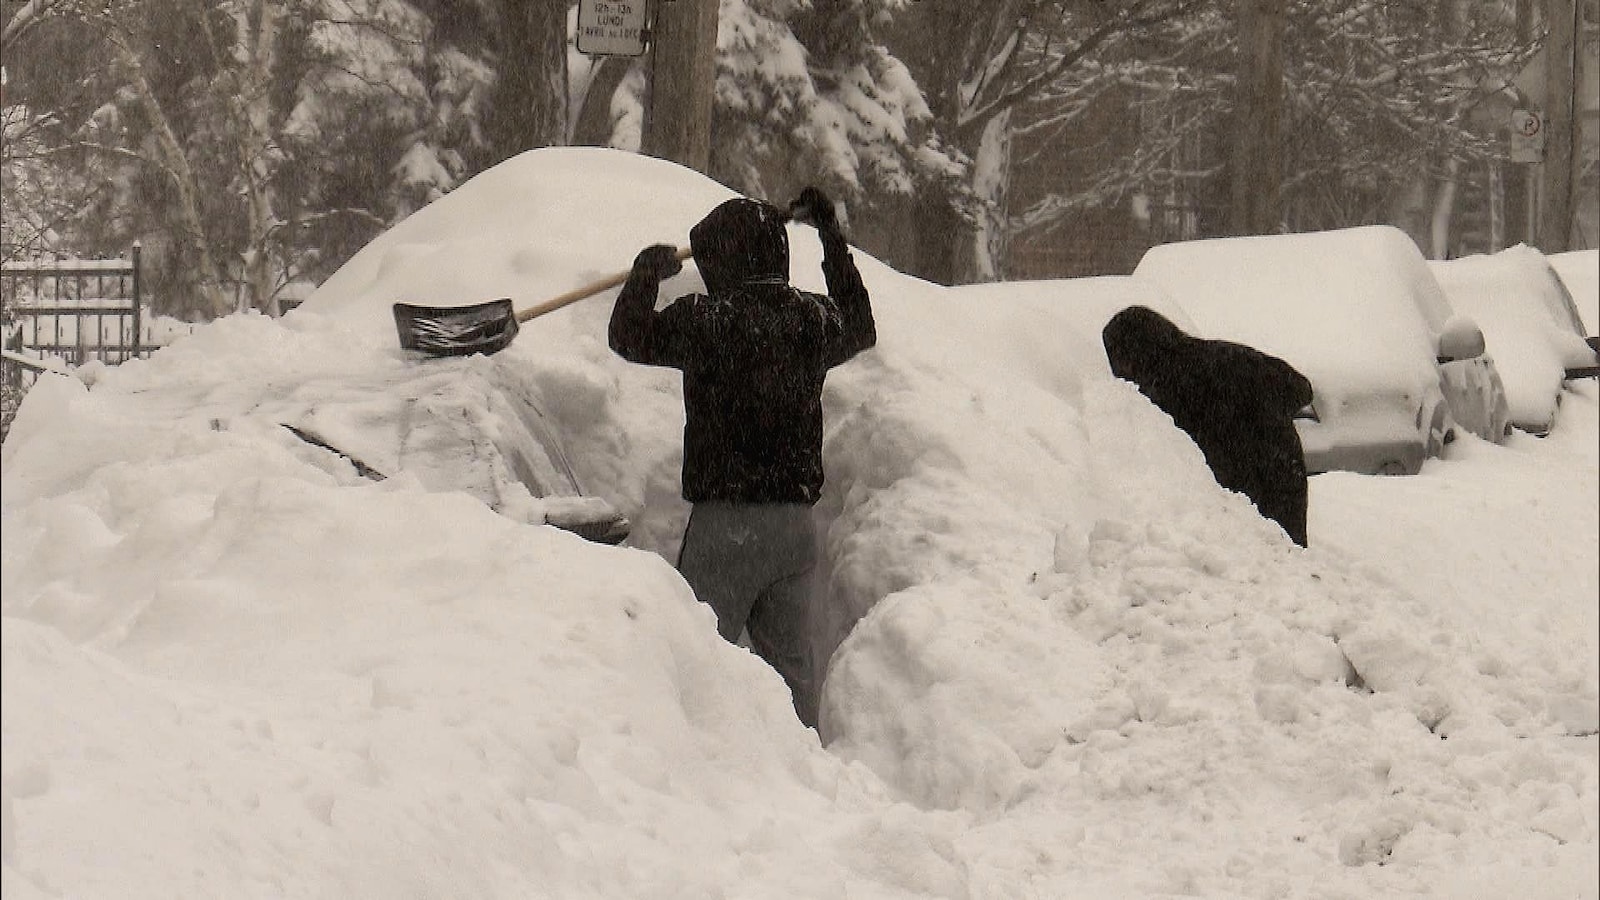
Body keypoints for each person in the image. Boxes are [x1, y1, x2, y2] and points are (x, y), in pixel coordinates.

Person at [609, 187, 875, 726]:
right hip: (794, 529)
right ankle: (804, 779)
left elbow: (628, 335)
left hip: (726, 527)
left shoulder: (707, 321)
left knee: (696, 657)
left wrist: (644, 276)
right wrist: (831, 238)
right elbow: (861, 324)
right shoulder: (812, 320)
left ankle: (700, 769)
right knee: (790, 673)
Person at [1101, 305, 1312, 547]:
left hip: (1240, 486)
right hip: (1284, 468)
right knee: (1289, 563)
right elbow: (1300, 388)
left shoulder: (1157, 390)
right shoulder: (1224, 354)